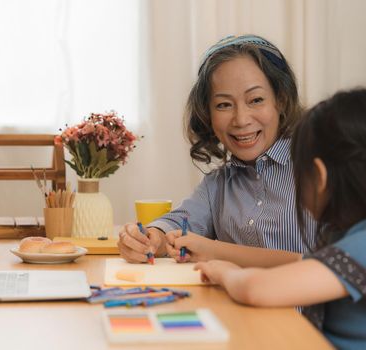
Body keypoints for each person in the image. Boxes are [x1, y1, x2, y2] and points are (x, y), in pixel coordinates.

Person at [195, 88, 366, 349]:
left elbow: (257, 289)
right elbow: (295, 263)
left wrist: (224, 271)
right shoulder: (353, 235)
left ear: (319, 177)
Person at [118, 34, 316, 265]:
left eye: (256, 100)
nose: (241, 119)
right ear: (207, 114)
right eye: (223, 105)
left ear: (280, 100)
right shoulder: (217, 185)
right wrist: (152, 238)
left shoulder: (318, 169)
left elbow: (328, 266)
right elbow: (180, 221)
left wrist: (215, 251)